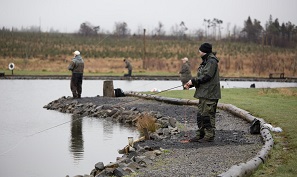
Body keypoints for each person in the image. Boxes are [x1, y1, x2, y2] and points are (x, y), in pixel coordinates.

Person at [184, 42, 221, 143]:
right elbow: (202, 78)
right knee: (200, 115)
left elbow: (207, 76)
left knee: (207, 115)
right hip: (203, 93)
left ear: (203, 51)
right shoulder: (206, 61)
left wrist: (194, 81)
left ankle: (209, 136)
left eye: (200, 50)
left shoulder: (212, 61)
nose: (198, 52)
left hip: (210, 94)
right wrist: (190, 84)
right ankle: (200, 134)